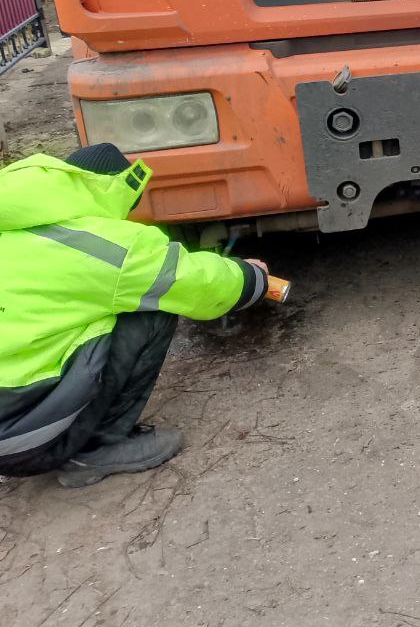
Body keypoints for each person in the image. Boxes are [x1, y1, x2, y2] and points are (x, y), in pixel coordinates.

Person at [0, 144, 270, 487]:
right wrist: (252, 277)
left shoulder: (11, 221)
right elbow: (195, 283)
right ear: (117, 192)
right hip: (24, 441)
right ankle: (95, 449)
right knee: (148, 313)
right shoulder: (102, 247)